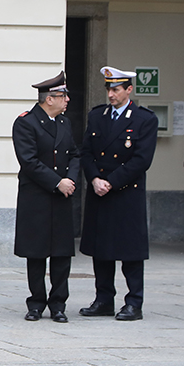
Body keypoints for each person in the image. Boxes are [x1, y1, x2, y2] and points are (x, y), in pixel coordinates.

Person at [78, 66, 158, 321]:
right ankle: (104, 299)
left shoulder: (144, 119)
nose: (111, 95)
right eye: (108, 89)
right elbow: (86, 152)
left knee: (130, 251)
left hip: (125, 192)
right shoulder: (98, 116)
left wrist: (111, 182)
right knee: (101, 250)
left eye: (116, 90)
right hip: (99, 191)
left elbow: (141, 160)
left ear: (128, 90)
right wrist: (94, 178)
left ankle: (134, 302)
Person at [11, 72, 80, 322]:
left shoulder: (64, 123)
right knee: (37, 252)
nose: (67, 101)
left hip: (62, 195)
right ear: (49, 99)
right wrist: (57, 182)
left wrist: (70, 179)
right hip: (37, 197)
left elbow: (74, 153)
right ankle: (36, 302)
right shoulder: (26, 123)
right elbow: (28, 161)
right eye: (63, 97)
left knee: (62, 253)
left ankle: (59, 303)